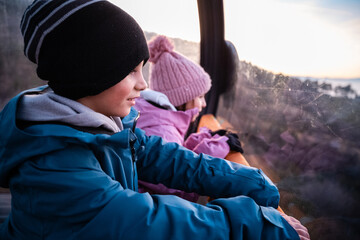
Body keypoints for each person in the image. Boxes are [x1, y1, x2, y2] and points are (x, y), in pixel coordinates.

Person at [0, 0, 302, 239]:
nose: (144, 85)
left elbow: (165, 157)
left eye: (142, 69)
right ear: (88, 75)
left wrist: (249, 180)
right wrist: (258, 225)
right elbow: (146, 223)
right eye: (131, 70)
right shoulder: (53, 169)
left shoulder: (105, 120)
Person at [135, 35, 243, 202]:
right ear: (181, 97)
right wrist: (217, 148)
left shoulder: (152, 116)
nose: (204, 103)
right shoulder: (162, 130)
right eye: (199, 96)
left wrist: (202, 140)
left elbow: (171, 158)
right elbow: (179, 190)